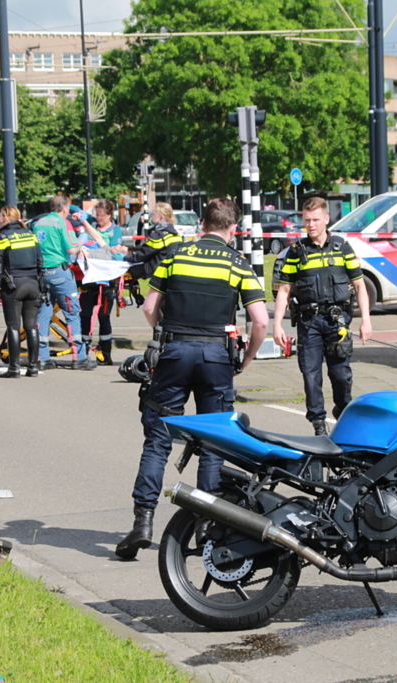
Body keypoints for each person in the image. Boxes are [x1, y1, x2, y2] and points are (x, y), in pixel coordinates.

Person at [114, 197, 269, 560]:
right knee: (213, 441)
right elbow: (260, 321)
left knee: (157, 439)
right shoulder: (237, 263)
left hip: (174, 353)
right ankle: (205, 524)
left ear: (202, 224)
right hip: (216, 357)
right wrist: (245, 358)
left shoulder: (176, 255)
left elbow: (149, 307)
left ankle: (143, 521)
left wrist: (166, 334)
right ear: (233, 228)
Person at [272, 196, 373, 435]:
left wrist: (366, 320)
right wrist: (276, 325)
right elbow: (284, 290)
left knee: (341, 375)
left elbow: (359, 285)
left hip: (337, 323)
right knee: (311, 375)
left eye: (315, 220)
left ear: (326, 219)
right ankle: (318, 424)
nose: (311, 225)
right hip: (309, 323)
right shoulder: (296, 252)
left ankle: (342, 409)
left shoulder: (342, 247)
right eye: (307, 220)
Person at [34, 195, 95, 370]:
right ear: (64, 208)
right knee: (72, 313)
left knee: (43, 315)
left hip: (42, 274)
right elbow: (72, 249)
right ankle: (79, 357)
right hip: (60, 272)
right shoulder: (62, 223)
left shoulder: (38, 223)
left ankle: (42, 358)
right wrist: (82, 240)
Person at [74, 199, 129, 366]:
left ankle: (105, 353)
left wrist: (93, 253)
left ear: (110, 215)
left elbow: (113, 254)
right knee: (85, 315)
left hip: (105, 280)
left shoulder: (115, 232)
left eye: (102, 216)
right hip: (87, 278)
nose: (99, 219)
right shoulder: (92, 226)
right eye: (97, 215)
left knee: (104, 316)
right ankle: (83, 352)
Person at [0, 206, 43, 378]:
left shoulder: (3, 236)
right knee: (31, 327)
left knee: (13, 326)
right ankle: (33, 367)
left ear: (6, 217)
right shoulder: (30, 235)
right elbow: (40, 261)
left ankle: (14, 368)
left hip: (14, 286)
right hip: (33, 284)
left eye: (0, 216)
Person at [125, 202, 182, 281]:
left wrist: (124, 257)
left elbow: (142, 254)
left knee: (125, 273)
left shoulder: (159, 236)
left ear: (161, 217)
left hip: (155, 270)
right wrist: (143, 224)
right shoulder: (175, 235)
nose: (151, 216)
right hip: (169, 270)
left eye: (153, 213)